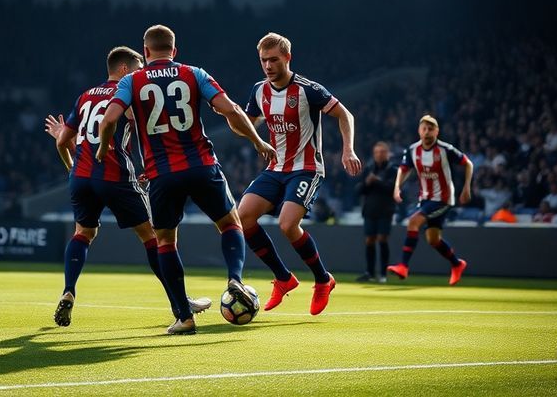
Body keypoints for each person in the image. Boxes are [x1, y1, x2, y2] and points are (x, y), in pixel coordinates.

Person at [97, 25, 276, 335]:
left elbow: (110, 119)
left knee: (165, 240)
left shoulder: (131, 81)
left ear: (147, 51)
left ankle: (184, 317)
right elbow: (230, 110)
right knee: (231, 224)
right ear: (174, 51)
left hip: (161, 174)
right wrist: (258, 141)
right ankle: (235, 277)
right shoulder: (194, 73)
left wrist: (103, 147)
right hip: (201, 165)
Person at [46, 46, 212, 328]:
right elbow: (148, 129)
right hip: (114, 175)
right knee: (154, 237)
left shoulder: (85, 96)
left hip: (82, 177)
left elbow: (63, 142)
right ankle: (181, 303)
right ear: (124, 69)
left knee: (83, 232)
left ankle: (69, 290)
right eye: (137, 68)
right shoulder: (130, 93)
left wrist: (72, 170)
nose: (141, 74)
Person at [238, 32, 361, 315]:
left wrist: (348, 150)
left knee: (287, 224)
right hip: (275, 168)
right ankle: (283, 278)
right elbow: (248, 124)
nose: (268, 66)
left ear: (287, 58)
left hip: (306, 168)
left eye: (273, 60)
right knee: (243, 217)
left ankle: (322, 279)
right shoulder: (258, 91)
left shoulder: (308, 90)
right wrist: (239, 124)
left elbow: (346, 115)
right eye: (263, 60)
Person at [387, 114, 474, 285]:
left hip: (443, 198)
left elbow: (468, 163)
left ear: (437, 131)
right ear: (419, 131)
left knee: (413, 221)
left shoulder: (445, 149)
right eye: (424, 129)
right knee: (433, 239)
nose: (427, 132)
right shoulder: (413, 150)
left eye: (430, 129)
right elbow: (404, 169)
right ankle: (457, 264)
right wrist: (397, 186)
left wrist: (466, 187)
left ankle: (403, 265)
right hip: (425, 198)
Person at [354, 141, 397, 282]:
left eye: (382, 152)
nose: (379, 155)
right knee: (369, 240)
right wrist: (367, 182)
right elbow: (359, 189)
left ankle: (383, 274)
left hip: (385, 209)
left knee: (382, 239)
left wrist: (376, 181)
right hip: (370, 209)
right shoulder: (368, 169)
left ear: (388, 154)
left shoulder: (393, 170)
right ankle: (370, 273)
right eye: (377, 152)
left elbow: (392, 188)